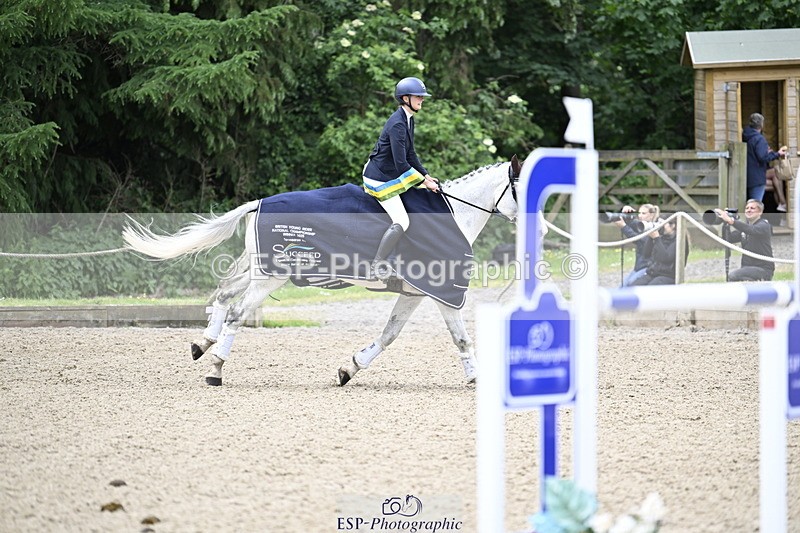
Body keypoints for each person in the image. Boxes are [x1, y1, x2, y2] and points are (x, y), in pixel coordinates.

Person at [363, 77, 440, 277]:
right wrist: (424, 183)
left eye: (422, 97)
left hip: (389, 174)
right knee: (402, 221)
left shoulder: (408, 119)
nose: (422, 100)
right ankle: (376, 265)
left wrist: (426, 175)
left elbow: (411, 154)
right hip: (379, 178)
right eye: (418, 97)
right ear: (405, 98)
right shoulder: (397, 124)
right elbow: (401, 164)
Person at [715, 199, 774, 281]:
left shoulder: (764, 225)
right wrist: (725, 224)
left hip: (763, 269)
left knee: (733, 276)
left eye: (752, 208)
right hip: (747, 268)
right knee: (733, 278)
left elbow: (751, 230)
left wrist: (731, 221)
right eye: (747, 208)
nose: (749, 210)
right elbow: (728, 239)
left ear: (760, 212)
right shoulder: (745, 227)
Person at [742, 113, 786, 202]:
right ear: (761, 125)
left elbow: (754, 153)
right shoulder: (759, 139)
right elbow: (763, 158)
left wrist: (767, 152)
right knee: (756, 204)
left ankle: (782, 204)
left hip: (749, 175)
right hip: (757, 177)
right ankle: (782, 203)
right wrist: (778, 153)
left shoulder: (746, 135)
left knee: (775, 179)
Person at [613, 203, 661, 286]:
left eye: (643, 213)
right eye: (639, 213)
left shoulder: (656, 228)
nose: (640, 216)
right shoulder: (640, 225)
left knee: (629, 286)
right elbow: (629, 223)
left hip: (647, 268)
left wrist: (623, 226)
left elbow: (638, 239)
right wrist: (625, 212)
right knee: (621, 287)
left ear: (651, 215)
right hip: (638, 267)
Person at [630, 218, 685, 286]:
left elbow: (666, 258)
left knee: (651, 287)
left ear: (673, 225)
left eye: (662, 223)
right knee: (633, 286)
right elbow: (646, 254)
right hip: (653, 273)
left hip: (668, 275)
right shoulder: (661, 237)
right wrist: (651, 237)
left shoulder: (678, 240)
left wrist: (657, 239)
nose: (660, 226)